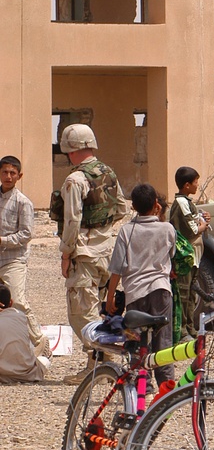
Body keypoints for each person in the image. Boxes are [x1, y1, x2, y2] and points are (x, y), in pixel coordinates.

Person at [56, 124, 128, 341]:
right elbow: (122, 208)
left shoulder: (75, 180)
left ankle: (99, 365)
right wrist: (101, 227)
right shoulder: (108, 173)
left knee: (82, 315)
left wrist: (66, 254)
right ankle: (99, 365)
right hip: (106, 250)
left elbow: (72, 221)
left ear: (70, 149)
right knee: (100, 311)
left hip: (84, 255)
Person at [105, 183, 176, 385]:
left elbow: (117, 269)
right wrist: (160, 216)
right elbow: (171, 255)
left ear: (133, 207)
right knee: (163, 343)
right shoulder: (168, 228)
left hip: (135, 294)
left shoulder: (126, 231)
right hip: (161, 291)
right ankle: (166, 388)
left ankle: (140, 384)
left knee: (136, 341)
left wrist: (110, 298)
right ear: (157, 204)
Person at [0, 156, 48, 357]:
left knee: (17, 300)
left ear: (19, 176)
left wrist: (2, 241)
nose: (8, 176)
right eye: (5, 172)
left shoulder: (23, 202)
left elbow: (27, 234)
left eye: (12, 173)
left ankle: (40, 341)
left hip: (13, 260)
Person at [169, 166, 211, 340]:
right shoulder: (181, 203)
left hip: (193, 256)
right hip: (185, 256)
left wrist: (203, 218)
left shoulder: (188, 202)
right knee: (184, 293)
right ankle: (182, 332)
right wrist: (203, 225)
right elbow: (193, 229)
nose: (197, 185)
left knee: (191, 293)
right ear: (186, 185)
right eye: (195, 182)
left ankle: (190, 327)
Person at [0, 283, 48, 384]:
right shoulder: (21, 316)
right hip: (27, 373)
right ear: (11, 302)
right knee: (44, 361)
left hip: (2, 374)